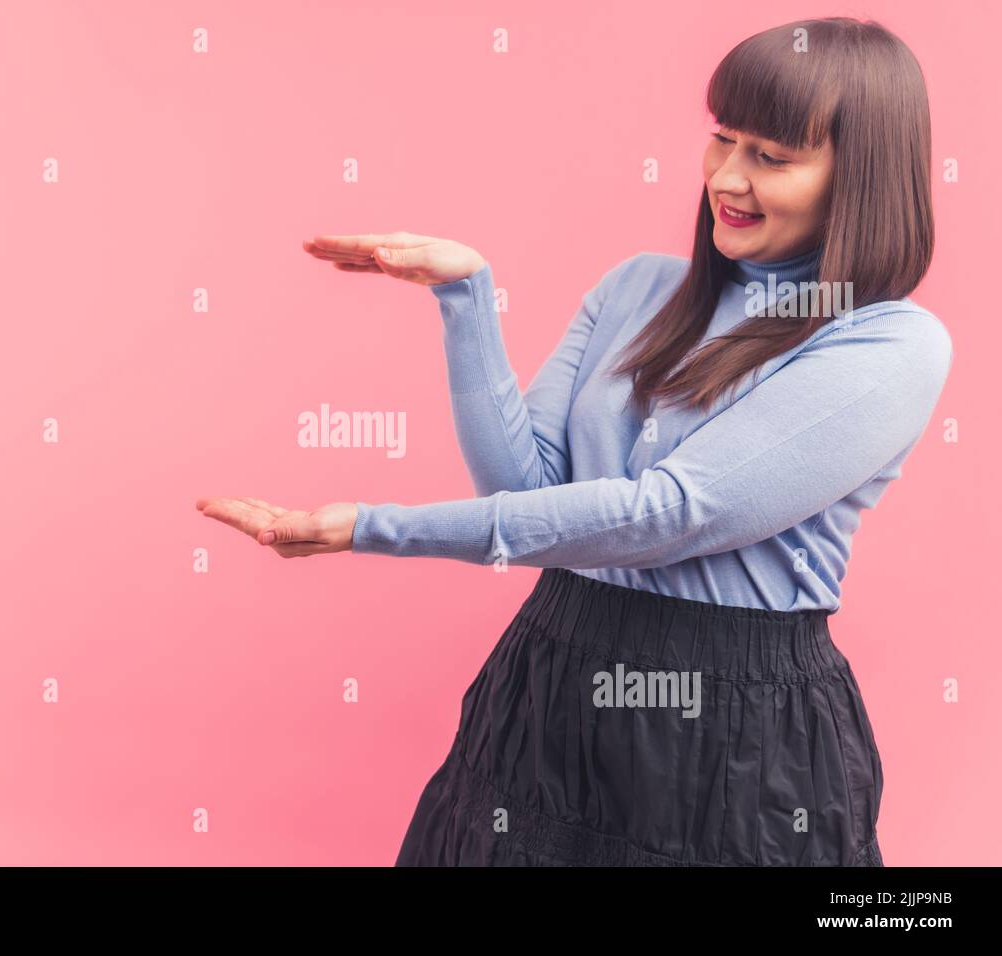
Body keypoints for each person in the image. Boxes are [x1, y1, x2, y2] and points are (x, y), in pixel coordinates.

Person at [196, 16, 951, 866]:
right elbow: (519, 488)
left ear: (860, 178)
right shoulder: (639, 288)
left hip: (731, 725)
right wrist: (465, 300)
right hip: (551, 672)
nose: (727, 178)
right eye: (722, 139)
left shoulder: (888, 343)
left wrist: (371, 527)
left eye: (772, 157)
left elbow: (670, 514)